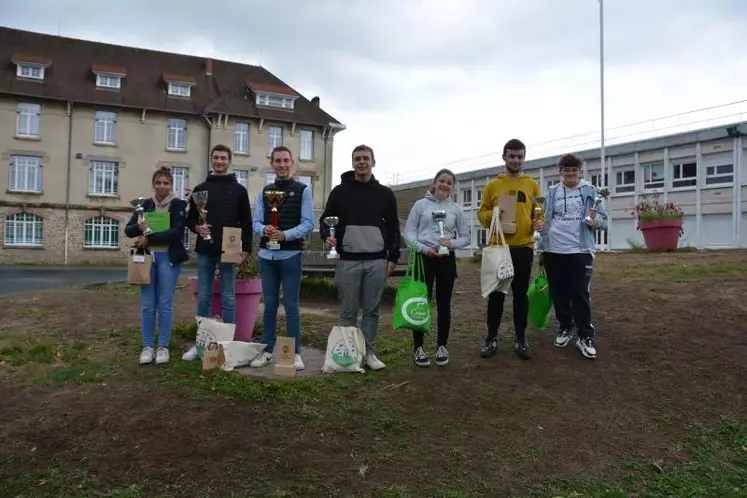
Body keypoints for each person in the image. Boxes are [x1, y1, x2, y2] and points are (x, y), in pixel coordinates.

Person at [319, 144, 401, 371]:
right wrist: (327, 236)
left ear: (373, 162)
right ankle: (347, 355)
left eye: (366, 158)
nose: (362, 162)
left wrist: (393, 257)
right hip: (347, 260)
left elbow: (394, 226)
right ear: (352, 162)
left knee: (372, 311)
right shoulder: (339, 191)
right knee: (348, 311)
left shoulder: (385, 194)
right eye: (357, 158)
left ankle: (369, 354)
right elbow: (326, 220)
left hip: (377, 260)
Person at [182, 144, 252, 362]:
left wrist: (246, 250)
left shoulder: (239, 190)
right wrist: (197, 228)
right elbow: (190, 219)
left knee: (229, 298)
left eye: (223, 158)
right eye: (216, 158)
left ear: (229, 161)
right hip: (205, 250)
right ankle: (201, 343)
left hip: (229, 252)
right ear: (211, 160)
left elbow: (247, 223)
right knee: (203, 297)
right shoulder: (200, 189)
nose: (219, 161)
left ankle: (227, 344)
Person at [476, 138, 544, 360]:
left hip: (524, 247)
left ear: (524, 158)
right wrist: (494, 214)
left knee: (521, 296)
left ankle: (520, 338)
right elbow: (481, 214)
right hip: (499, 247)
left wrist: (539, 221)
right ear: (504, 157)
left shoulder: (532, 184)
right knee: (497, 295)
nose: (516, 160)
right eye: (512, 156)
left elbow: (538, 211)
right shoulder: (493, 185)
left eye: (520, 156)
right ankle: (492, 337)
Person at [249, 146, 315, 370]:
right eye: (278, 161)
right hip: (267, 256)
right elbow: (255, 222)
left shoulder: (303, 190)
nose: (282, 165)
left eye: (286, 161)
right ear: (272, 164)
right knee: (269, 305)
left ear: (292, 163)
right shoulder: (264, 192)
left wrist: (285, 234)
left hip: (291, 255)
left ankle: (294, 353)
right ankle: (267, 349)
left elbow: (308, 223)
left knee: (292, 305)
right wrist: (265, 229)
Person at [537, 153, 608, 360]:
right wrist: (541, 248)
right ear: (561, 172)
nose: (570, 174)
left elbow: (604, 221)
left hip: (580, 250)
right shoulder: (552, 192)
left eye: (574, 170)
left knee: (580, 293)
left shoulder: (591, 191)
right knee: (559, 293)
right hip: (553, 250)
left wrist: (594, 221)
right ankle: (565, 327)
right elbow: (545, 220)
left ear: (580, 172)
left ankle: (585, 335)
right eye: (566, 170)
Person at [403, 168, 469, 367]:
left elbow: (466, 238)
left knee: (444, 305)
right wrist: (423, 249)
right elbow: (408, 234)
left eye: (449, 182)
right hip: (424, 258)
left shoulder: (456, 209)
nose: (445, 185)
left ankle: (442, 346)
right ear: (434, 182)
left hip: (445, 259)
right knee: (420, 303)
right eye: (442, 181)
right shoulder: (420, 205)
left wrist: (451, 244)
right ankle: (418, 347)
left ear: (453, 187)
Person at [124, 166, 189, 365]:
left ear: (171, 185)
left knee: (165, 304)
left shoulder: (178, 204)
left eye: (166, 183)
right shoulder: (144, 204)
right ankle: (147, 346)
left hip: (168, 258)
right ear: (153, 184)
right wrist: (139, 228)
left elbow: (177, 232)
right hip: (147, 259)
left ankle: (163, 346)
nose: (162, 186)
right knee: (147, 305)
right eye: (158, 182)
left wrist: (149, 237)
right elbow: (129, 230)